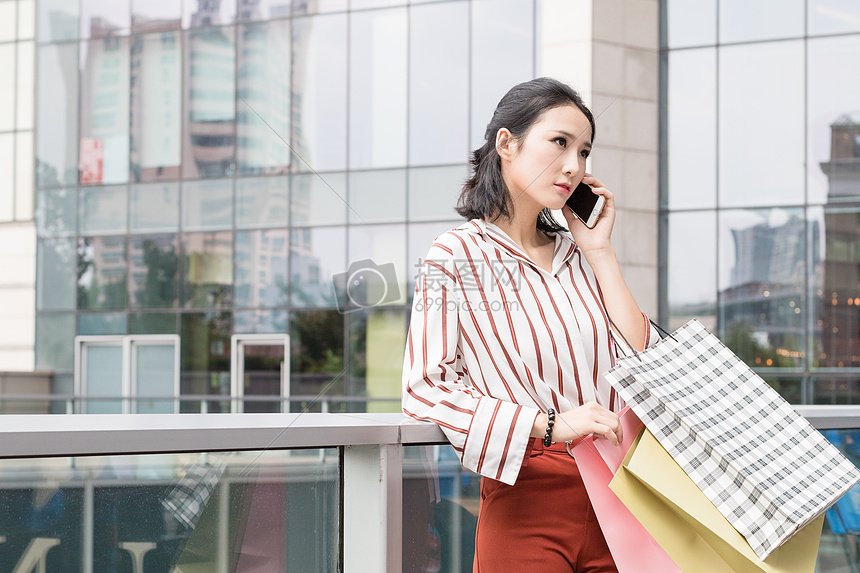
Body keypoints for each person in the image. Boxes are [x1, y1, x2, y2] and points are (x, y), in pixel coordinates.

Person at [401, 77, 657, 572]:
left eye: (584, 152)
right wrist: (550, 426)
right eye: (559, 142)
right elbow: (425, 389)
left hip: (624, 490)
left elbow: (645, 359)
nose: (574, 166)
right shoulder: (456, 255)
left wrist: (600, 251)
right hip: (529, 494)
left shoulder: (581, 255)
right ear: (507, 143)